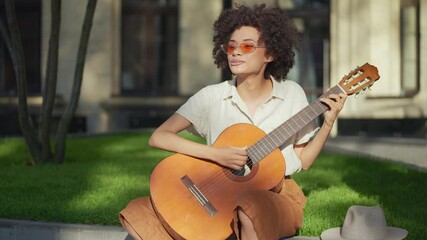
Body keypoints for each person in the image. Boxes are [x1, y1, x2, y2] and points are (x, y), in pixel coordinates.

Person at [119, 4, 347, 240]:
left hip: (277, 193)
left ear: (270, 54)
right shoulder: (212, 96)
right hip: (218, 191)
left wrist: (328, 123)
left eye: (247, 46)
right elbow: (159, 136)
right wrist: (215, 155)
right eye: (231, 46)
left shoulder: (292, 94)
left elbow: (303, 161)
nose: (236, 52)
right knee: (139, 213)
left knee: (250, 207)